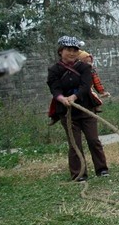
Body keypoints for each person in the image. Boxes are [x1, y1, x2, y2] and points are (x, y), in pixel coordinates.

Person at [47, 36, 110, 182]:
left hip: (85, 107)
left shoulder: (84, 67)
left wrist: (74, 97)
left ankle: (102, 169)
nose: (72, 53)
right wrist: (63, 99)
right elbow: (54, 89)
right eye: (68, 50)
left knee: (93, 139)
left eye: (75, 50)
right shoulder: (54, 70)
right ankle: (79, 174)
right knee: (75, 143)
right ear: (61, 51)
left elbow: (85, 86)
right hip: (66, 112)